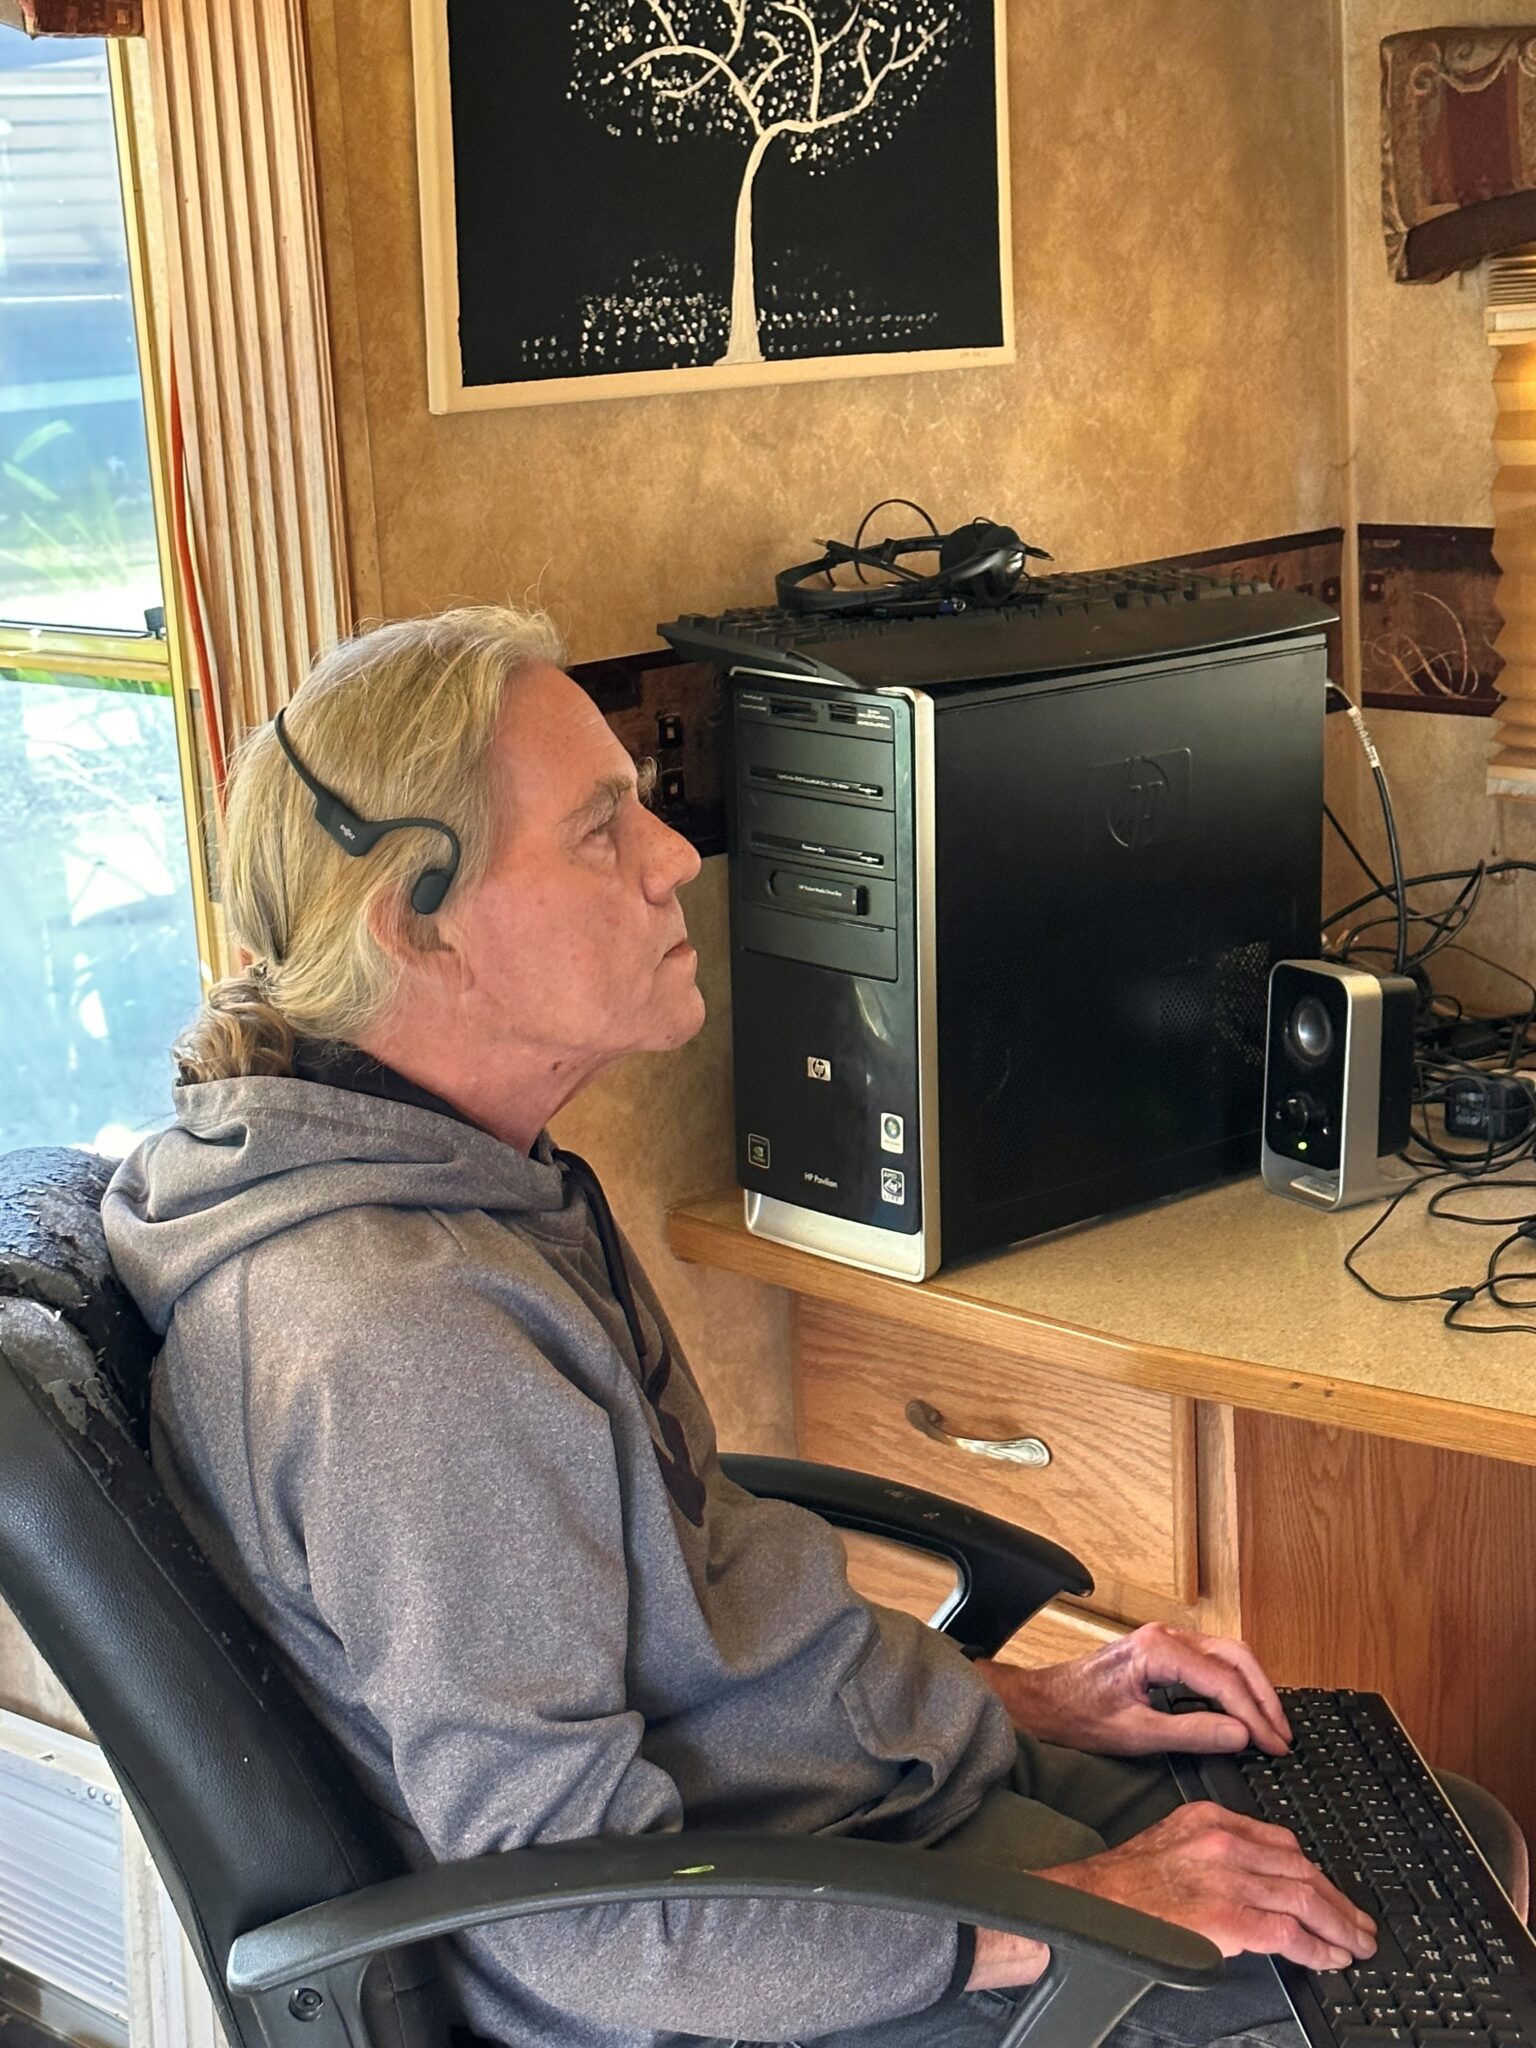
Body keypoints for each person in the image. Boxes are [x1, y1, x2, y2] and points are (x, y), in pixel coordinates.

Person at [103, 606, 1373, 2048]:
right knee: (1387, 1964)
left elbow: (687, 1625)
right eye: (600, 832)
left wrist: (1026, 1701)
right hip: (784, 1942)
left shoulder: (462, 1185)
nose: (674, 862)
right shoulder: (405, 1346)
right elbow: (575, 1913)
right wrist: (1085, 1916)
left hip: (837, 1820)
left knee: (1403, 1831)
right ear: (417, 923)